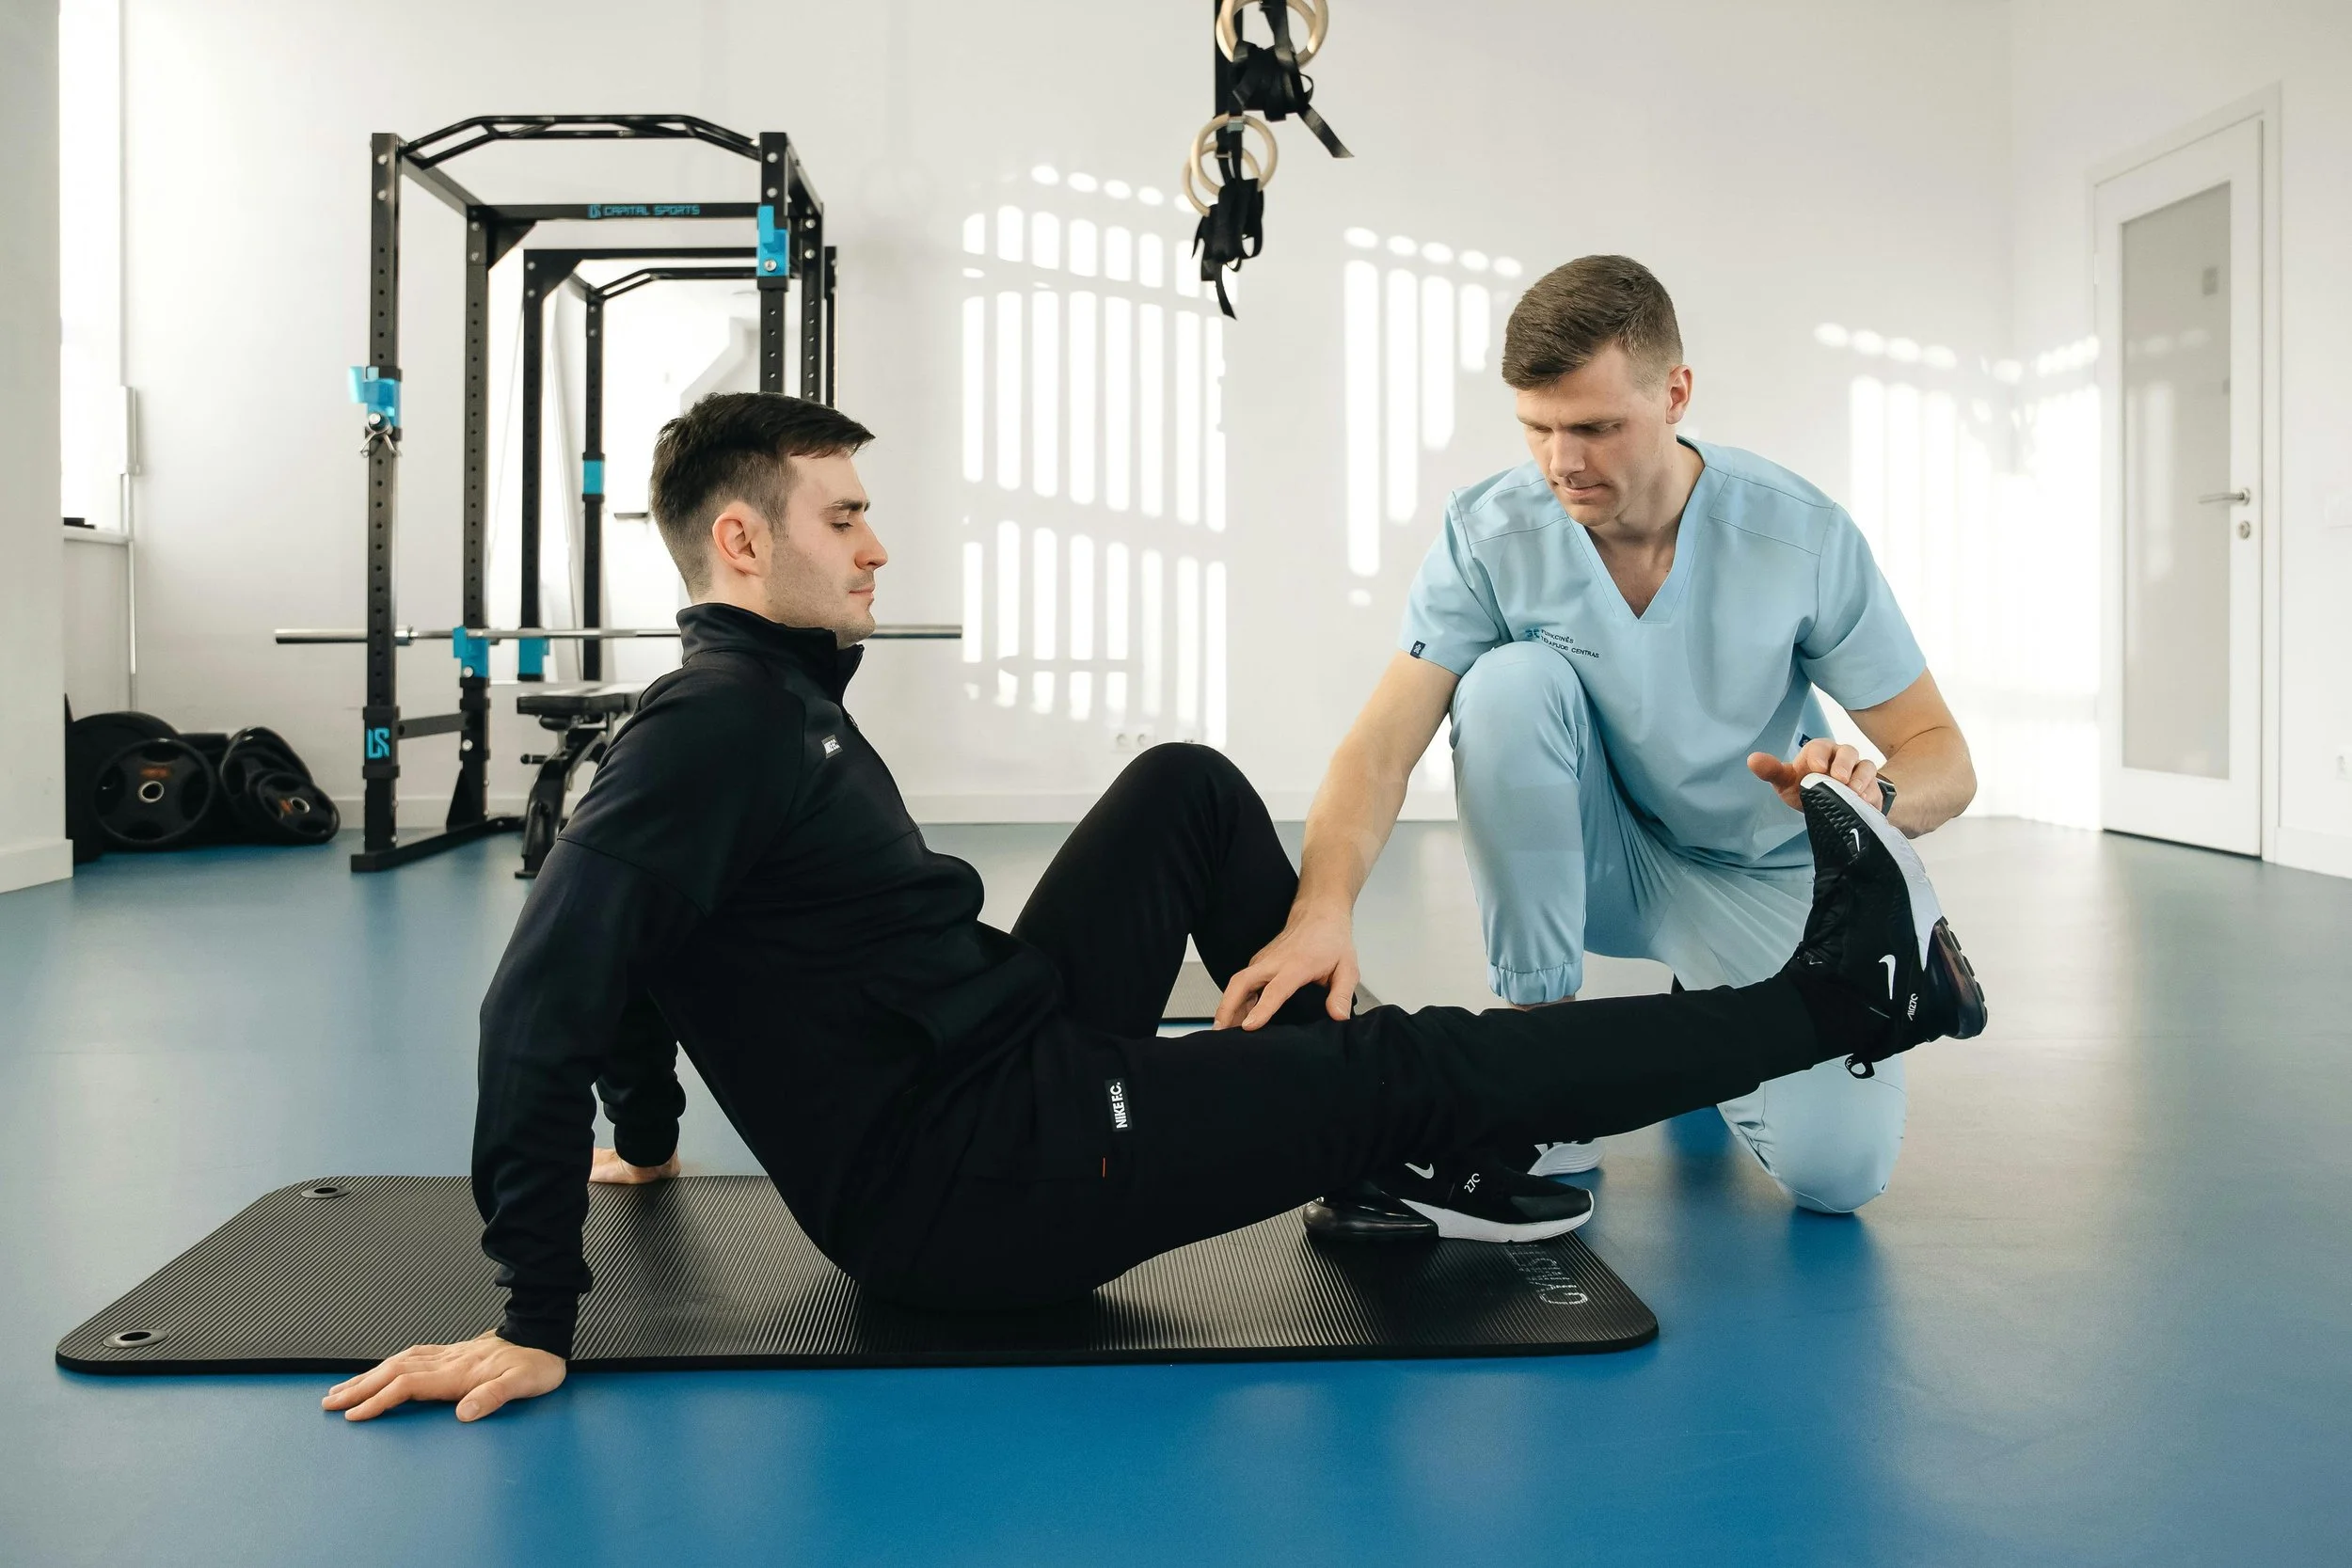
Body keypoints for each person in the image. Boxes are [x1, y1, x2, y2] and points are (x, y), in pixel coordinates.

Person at [323, 392, 1985, 1423]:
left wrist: (652, 1131)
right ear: (746, 539)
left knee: (1188, 785)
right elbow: (541, 994)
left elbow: (640, 959)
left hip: (995, 1057)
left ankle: (1388, 1159)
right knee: (1401, 1067)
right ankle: (1856, 1000)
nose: (880, 545)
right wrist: (535, 1315)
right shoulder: (718, 730)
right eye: (847, 518)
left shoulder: (761, 701)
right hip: (979, 1187)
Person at [1219, 256, 1977, 1227]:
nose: (1561, 461)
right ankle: (1538, 1050)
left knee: (1838, 1175)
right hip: (1600, 856)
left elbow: (1942, 755)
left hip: (1756, 869)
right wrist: (1320, 909)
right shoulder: (1490, 531)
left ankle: (1700, 1000)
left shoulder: (1798, 536)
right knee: (1505, 683)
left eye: (1594, 427)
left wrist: (1865, 799)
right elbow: (1377, 749)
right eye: (1536, 427)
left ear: (1675, 394)